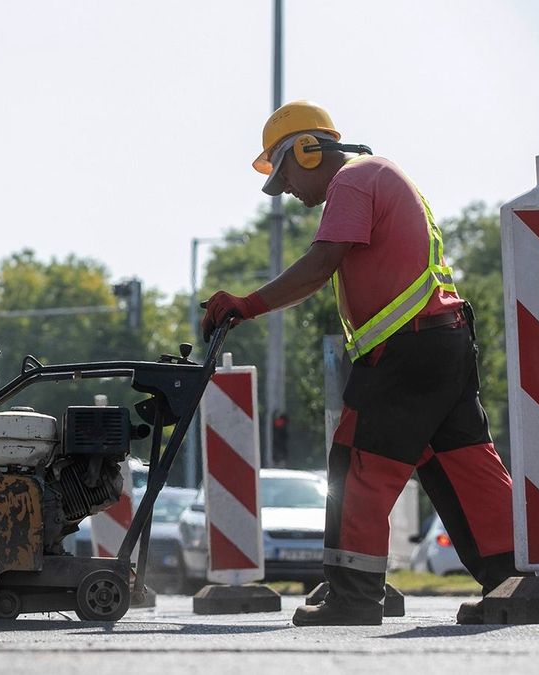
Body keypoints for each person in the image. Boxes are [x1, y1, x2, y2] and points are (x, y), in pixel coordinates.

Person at [201, 101, 517, 626]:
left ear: (308, 150)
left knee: (357, 463)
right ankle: (512, 579)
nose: (290, 194)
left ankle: (354, 594)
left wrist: (246, 304)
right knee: (464, 466)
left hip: (406, 348)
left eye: (286, 177)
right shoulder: (383, 176)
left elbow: (321, 265)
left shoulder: (353, 180)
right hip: (443, 343)